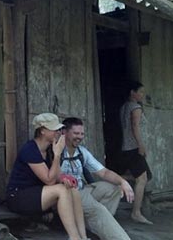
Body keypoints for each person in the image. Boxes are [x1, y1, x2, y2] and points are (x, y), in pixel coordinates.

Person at [6, 113, 89, 240]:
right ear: (43, 131)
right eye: (54, 129)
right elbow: (49, 180)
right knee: (61, 190)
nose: (58, 132)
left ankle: (83, 236)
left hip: (39, 193)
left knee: (72, 190)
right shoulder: (30, 149)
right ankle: (74, 237)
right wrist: (57, 155)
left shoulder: (50, 148)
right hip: (19, 196)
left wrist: (65, 179)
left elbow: (58, 175)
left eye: (59, 129)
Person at [60, 117, 134, 240]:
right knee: (97, 209)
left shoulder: (82, 152)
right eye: (76, 133)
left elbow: (104, 173)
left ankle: (94, 225)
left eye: (82, 133)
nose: (79, 137)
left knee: (115, 188)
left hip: (83, 190)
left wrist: (123, 181)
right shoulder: (56, 152)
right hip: (68, 195)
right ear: (64, 132)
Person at [118, 81, 153, 224]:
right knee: (142, 178)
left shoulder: (124, 107)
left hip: (126, 147)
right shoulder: (136, 107)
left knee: (145, 175)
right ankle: (136, 212)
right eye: (141, 92)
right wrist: (140, 145)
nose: (142, 95)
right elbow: (135, 126)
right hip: (133, 147)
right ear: (133, 92)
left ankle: (116, 178)